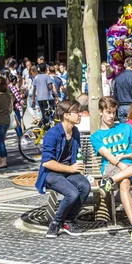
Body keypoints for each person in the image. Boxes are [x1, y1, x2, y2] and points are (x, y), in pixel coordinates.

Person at [91, 96, 132, 243]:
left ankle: (109, 182)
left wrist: (125, 155)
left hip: (130, 165)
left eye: (113, 112)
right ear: (100, 112)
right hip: (112, 167)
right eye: (108, 112)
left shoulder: (126, 128)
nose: (111, 116)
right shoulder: (96, 136)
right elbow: (109, 156)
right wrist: (123, 165)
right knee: (124, 182)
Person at [36, 100, 90, 238]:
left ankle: (69, 221)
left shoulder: (75, 131)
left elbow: (76, 155)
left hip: (69, 171)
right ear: (66, 115)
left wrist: (79, 168)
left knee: (85, 186)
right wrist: (70, 168)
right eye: (77, 112)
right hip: (52, 173)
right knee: (72, 193)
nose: (80, 115)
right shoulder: (52, 134)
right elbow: (47, 163)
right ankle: (56, 223)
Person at [112, 57, 132, 122]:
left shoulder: (117, 78)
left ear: (124, 65)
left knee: (123, 130)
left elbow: (115, 93)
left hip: (121, 107)